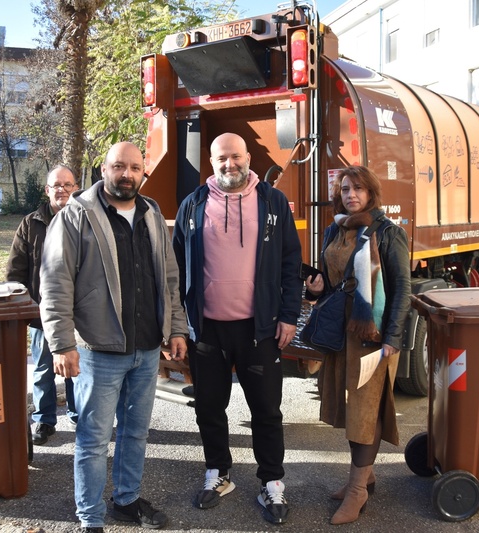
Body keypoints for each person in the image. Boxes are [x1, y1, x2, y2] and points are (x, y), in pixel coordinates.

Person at [39, 141, 189, 532]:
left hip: (145, 348)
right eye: (118, 166)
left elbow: (170, 278)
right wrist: (62, 344)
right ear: (103, 170)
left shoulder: (152, 213)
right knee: (93, 439)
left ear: (144, 173)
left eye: (134, 167)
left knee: (136, 432)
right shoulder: (76, 215)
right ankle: (90, 519)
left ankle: (125, 500)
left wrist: (175, 328)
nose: (126, 174)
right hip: (97, 350)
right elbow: (55, 283)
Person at [172, 132, 303, 525]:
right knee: (210, 407)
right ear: (212, 162)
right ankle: (219, 473)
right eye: (221, 159)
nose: (230, 164)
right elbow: (175, 268)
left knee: (266, 410)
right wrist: (178, 324)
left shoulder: (273, 202)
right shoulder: (193, 204)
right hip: (207, 328)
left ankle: (272, 481)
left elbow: (290, 265)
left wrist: (288, 315)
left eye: (236, 157)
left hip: (259, 329)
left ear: (249, 157)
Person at [304, 166, 411, 525]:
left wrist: (394, 340)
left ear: (372, 193)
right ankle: (365, 474)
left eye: (359, 189)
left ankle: (356, 491)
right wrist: (316, 289)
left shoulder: (387, 233)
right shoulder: (335, 229)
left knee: (365, 412)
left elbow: (402, 291)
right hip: (342, 333)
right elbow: (332, 282)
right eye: (346, 189)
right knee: (349, 410)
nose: (351, 195)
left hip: (373, 335)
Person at [5, 165, 78, 445]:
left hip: (79, 314)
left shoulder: (84, 219)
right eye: (56, 185)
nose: (62, 189)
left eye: (67, 185)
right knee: (44, 369)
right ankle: (44, 420)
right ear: (47, 190)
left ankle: (78, 416)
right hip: (41, 313)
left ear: (75, 189)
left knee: (77, 369)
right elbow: (15, 271)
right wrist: (27, 307)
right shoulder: (31, 223)